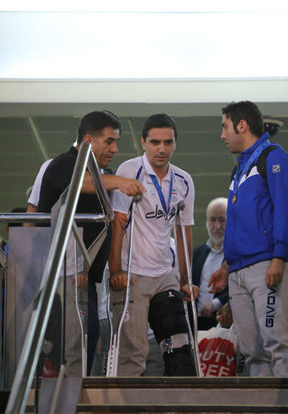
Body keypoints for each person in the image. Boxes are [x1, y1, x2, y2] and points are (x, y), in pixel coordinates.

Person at [36, 110, 144, 376]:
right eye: (109, 141)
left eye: (116, 141)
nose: (115, 148)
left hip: (86, 278)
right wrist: (119, 181)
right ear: (87, 141)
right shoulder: (63, 164)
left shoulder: (99, 173)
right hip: (64, 276)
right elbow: (78, 184)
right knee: (73, 348)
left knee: (87, 340)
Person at [209, 100, 288, 377]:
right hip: (238, 272)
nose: (222, 135)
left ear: (242, 125)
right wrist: (226, 266)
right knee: (251, 353)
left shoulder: (274, 157)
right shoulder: (238, 169)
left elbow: (287, 207)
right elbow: (239, 222)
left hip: (267, 265)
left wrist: (279, 257)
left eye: (225, 127)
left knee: (277, 343)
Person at [108, 113, 197, 377]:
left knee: (179, 352)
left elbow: (184, 231)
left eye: (168, 142)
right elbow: (117, 224)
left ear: (175, 144)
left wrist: (184, 278)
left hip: (164, 276)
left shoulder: (183, 181)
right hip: (132, 275)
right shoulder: (129, 171)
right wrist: (115, 272)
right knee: (134, 357)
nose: (162, 148)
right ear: (143, 142)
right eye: (155, 142)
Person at [192, 197, 229, 331]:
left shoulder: (238, 255)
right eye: (212, 220)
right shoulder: (196, 254)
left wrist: (216, 304)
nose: (217, 226)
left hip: (225, 324)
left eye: (222, 220)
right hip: (197, 325)